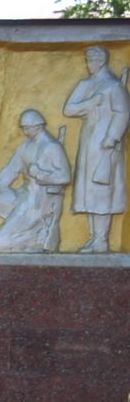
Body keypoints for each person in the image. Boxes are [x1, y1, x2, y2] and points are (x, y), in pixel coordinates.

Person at [0, 109, 72, 253]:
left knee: (0, 243)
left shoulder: (52, 147)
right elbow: (12, 169)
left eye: (27, 128)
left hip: (38, 205)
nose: (24, 132)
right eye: (23, 128)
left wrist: (40, 174)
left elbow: (65, 177)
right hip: (23, 197)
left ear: (38, 126)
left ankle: (37, 241)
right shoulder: (26, 146)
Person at [62, 46, 128, 254]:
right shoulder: (86, 84)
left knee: (102, 191)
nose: (88, 63)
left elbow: (123, 113)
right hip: (90, 141)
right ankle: (94, 238)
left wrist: (112, 138)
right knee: (89, 191)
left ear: (102, 61)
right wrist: (93, 102)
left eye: (92, 60)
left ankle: (102, 239)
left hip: (105, 145)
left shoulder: (113, 86)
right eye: (87, 60)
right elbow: (69, 109)